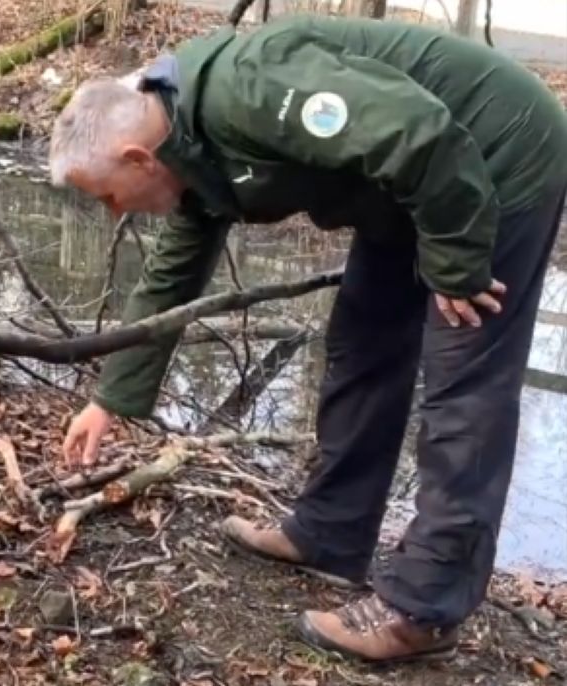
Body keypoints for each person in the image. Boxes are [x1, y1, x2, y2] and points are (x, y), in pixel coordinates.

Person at [48, 12, 567, 664]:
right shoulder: (188, 147)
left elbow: (416, 131)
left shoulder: (254, 91)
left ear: (135, 158)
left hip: (493, 155)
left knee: (463, 379)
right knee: (363, 339)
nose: (115, 211)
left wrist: (459, 266)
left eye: (107, 196)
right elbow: (169, 277)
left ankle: (423, 609)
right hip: (406, 184)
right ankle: (331, 531)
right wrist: (111, 398)